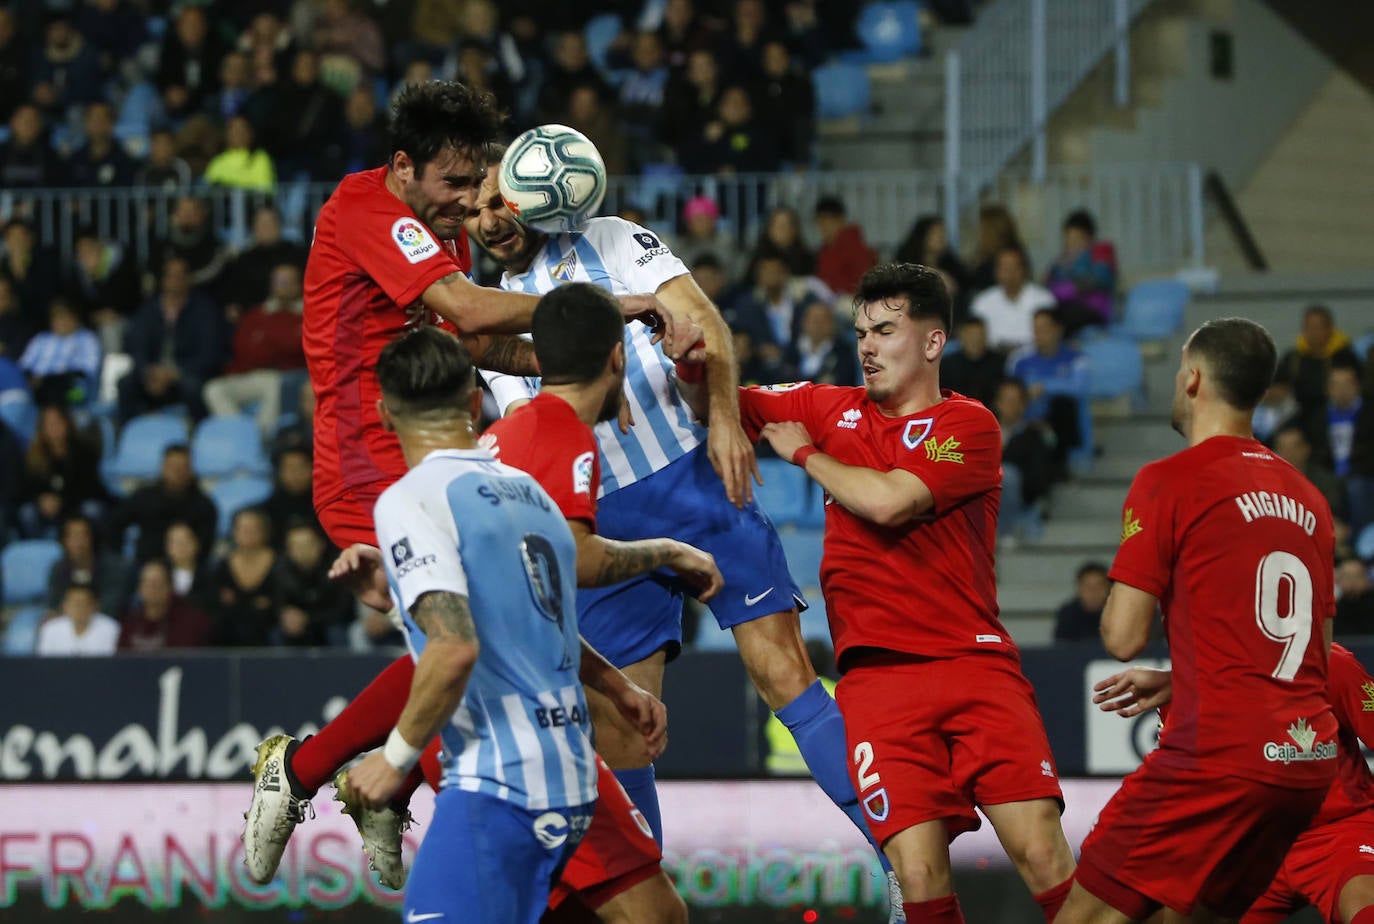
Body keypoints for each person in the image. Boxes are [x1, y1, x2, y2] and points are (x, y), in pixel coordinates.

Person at [244, 83, 690, 886]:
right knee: (457, 631)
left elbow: (483, 345)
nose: (466, 202)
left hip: (444, 447)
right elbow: (469, 311)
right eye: (452, 184)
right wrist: (606, 304)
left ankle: (377, 777)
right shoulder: (365, 209)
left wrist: (578, 363)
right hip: (369, 452)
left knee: (479, 619)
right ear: (404, 166)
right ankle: (315, 771)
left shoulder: (436, 233)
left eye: (473, 181)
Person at [464, 171, 904, 916]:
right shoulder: (489, 317)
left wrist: (726, 418)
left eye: (497, 201)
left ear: (531, 192)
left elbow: (703, 320)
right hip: (599, 518)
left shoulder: (611, 238)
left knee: (786, 676)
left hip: (696, 488)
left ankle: (900, 859)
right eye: (471, 211)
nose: (488, 221)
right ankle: (646, 906)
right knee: (627, 729)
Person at [709, 262, 1076, 923]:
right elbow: (717, 396)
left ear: (933, 343)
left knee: (1045, 856)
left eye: (885, 330)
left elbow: (890, 503)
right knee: (918, 876)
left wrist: (805, 457)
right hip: (878, 682)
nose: (867, 347)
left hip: (973, 665)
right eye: (860, 333)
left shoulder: (970, 424)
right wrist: (683, 346)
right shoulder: (828, 407)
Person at [334, 288, 709, 921]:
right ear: (475, 401)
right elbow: (537, 614)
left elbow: (454, 649)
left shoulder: (409, 499)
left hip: (495, 781)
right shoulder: (522, 488)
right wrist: (618, 688)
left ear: (384, 413)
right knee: (659, 916)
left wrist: (391, 761)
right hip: (574, 773)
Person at [1057, 317, 1339, 923]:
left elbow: (1124, 637)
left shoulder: (1169, 481)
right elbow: (1317, 655)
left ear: (1192, 378)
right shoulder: (1310, 499)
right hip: (1304, 764)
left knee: (1082, 918)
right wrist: (1187, 678)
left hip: (1218, 755)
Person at [1093, 644, 1374, 924]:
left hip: (1337, 831)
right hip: (1249, 843)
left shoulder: (1329, 663)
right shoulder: (1182, 686)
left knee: (1366, 907)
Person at [970, 245, 1056, 353]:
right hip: (993, 359)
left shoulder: (1044, 299)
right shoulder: (982, 302)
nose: (1010, 274)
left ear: (1025, 270)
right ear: (996, 272)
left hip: (1034, 358)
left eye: (1015, 268)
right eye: (1005, 268)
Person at [1045, 209, 1117, 331]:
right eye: (1069, 238)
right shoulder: (1061, 260)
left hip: (1094, 310)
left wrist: (1072, 288)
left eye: (1078, 238)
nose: (1073, 243)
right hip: (1067, 309)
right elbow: (1048, 284)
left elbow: (1102, 278)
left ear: (1090, 238)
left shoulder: (1101, 252)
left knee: (1060, 322)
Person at [118, 558, 213, 651]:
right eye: (146, 583)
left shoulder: (192, 622)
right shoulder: (130, 623)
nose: (151, 590)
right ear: (140, 588)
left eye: (156, 584)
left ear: (169, 586)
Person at [35, 583, 120, 657]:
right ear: (64, 605)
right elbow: (43, 663)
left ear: (95, 605)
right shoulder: (50, 628)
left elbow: (110, 663)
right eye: (75, 603)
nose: (79, 608)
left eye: (84, 603)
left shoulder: (111, 628)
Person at [1053, 561, 1109, 642]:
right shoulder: (1067, 614)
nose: (1094, 592)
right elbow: (1062, 650)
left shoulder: (1119, 614)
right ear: (1079, 588)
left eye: (1099, 586)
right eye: (1088, 587)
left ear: (1109, 588)